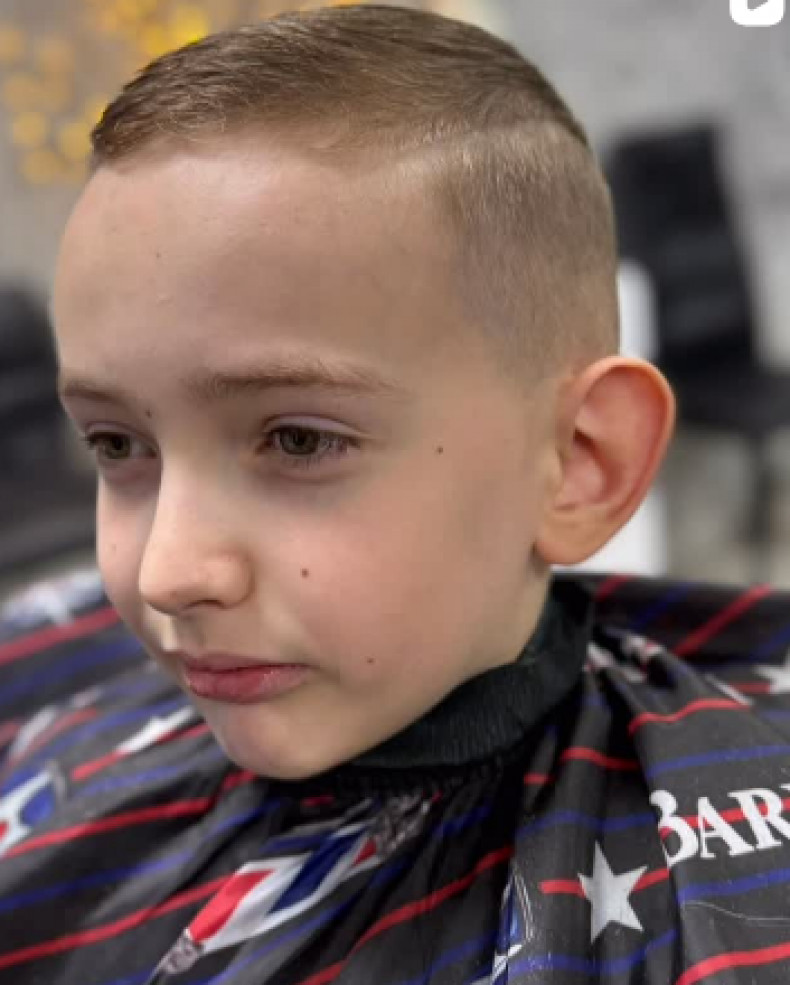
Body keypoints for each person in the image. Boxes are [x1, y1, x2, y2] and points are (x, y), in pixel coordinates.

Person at [1, 5, 789, 983]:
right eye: (117, 444)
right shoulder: (40, 712)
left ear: (581, 460)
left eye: (297, 440)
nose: (167, 572)